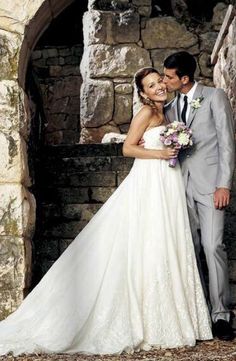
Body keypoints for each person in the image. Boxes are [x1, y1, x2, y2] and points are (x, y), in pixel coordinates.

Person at [0, 68, 212, 356]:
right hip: (150, 180)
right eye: (151, 85)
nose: (159, 87)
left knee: (168, 239)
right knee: (150, 239)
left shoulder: (167, 113)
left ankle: (172, 314)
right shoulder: (147, 114)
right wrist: (161, 153)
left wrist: (176, 143)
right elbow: (127, 148)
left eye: (159, 81)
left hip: (167, 181)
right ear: (143, 93)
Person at [163, 51, 235, 341]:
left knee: (212, 245)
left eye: (169, 76)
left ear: (184, 78)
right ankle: (199, 312)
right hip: (179, 186)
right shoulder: (168, 107)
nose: (165, 80)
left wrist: (224, 185)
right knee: (189, 248)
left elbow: (228, 143)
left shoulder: (215, 97)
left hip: (211, 186)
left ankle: (221, 315)